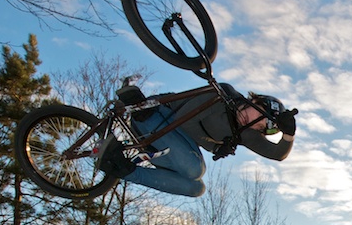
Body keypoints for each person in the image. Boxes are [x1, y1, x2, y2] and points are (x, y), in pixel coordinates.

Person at [98, 82, 298, 197]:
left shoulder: (245, 132)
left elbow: (277, 153)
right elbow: (186, 120)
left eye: (261, 129)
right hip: (160, 117)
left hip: (159, 143)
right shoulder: (224, 95)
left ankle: (121, 168)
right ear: (255, 100)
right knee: (196, 169)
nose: (256, 125)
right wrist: (213, 146)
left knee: (197, 188)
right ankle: (140, 108)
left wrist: (289, 133)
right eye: (260, 118)